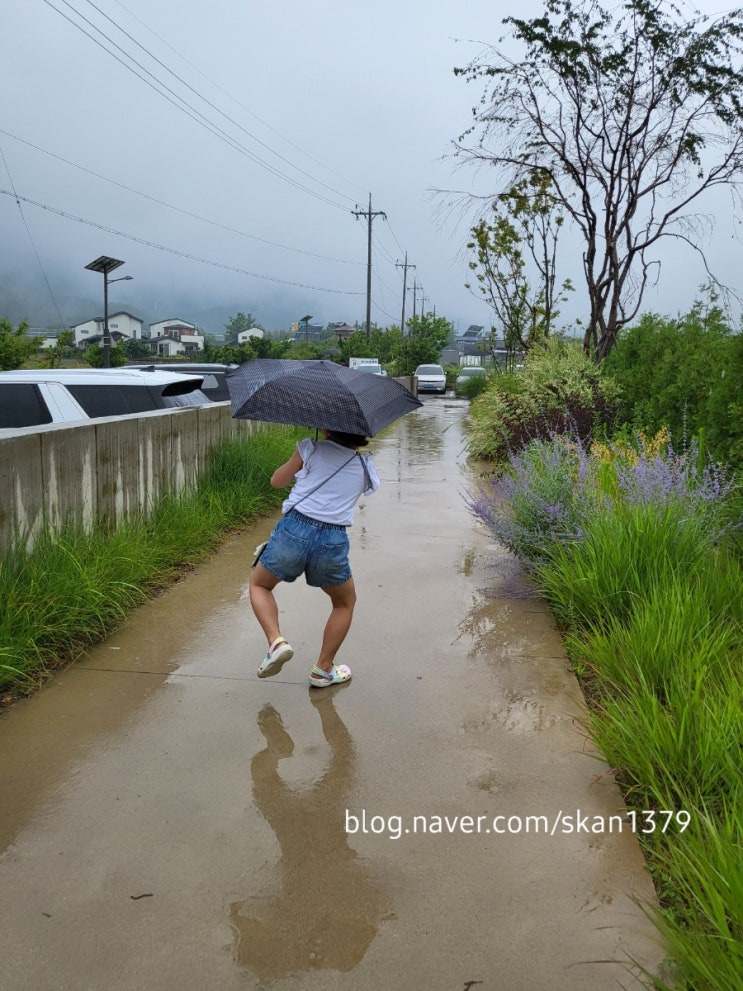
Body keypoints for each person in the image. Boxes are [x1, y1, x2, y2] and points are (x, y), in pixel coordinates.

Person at [249, 428, 380, 688]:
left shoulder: (309, 449)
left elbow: (277, 481)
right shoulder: (365, 467)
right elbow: (363, 489)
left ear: (325, 427)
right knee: (344, 603)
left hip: (294, 529)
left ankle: (276, 642)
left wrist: (306, 456)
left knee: (259, 585)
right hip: (333, 539)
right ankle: (323, 670)